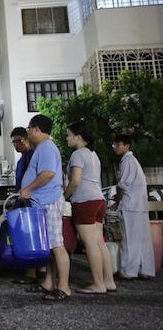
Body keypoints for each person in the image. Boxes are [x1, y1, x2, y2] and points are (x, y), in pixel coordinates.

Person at [20, 114, 71, 301]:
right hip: (43, 202)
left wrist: (28, 189)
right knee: (50, 246)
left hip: (49, 201)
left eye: (28, 128)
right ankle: (49, 282)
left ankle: (64, 287)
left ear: (36, 129)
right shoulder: (42, 148)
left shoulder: (47, 148)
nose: (27, 132)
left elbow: (48, 173)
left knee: (57, 246)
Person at [64, 121, 116, 294]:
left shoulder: (78, 155)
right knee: (99, 242)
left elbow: (76, 181)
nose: (67, 138)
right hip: (98, 199)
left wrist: (64, 196)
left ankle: (98, 284)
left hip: (84, 200)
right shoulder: (93, 154)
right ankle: (109, 281)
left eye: (69, 135)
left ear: (78, 137)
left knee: (90, 243)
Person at [111, 134, 155, 280]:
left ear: (127, 145)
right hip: (140, 205)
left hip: (130, 205)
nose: (115, 147)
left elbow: (123, 185)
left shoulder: (127, 161)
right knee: (142, 239)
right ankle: (145, 269)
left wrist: (116, 201)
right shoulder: (134, 161)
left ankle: (128, 270)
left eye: (118, 144)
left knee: (129, 239)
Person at [9, 127, 41, 285]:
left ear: (27, 139)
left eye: (19, 141)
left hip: (29, 201)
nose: (16, 145)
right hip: (21, 200)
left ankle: (31, 272)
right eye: (14, 142)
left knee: (30, 236)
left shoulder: (31, 157)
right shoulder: (23, 158)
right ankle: (32, 270)